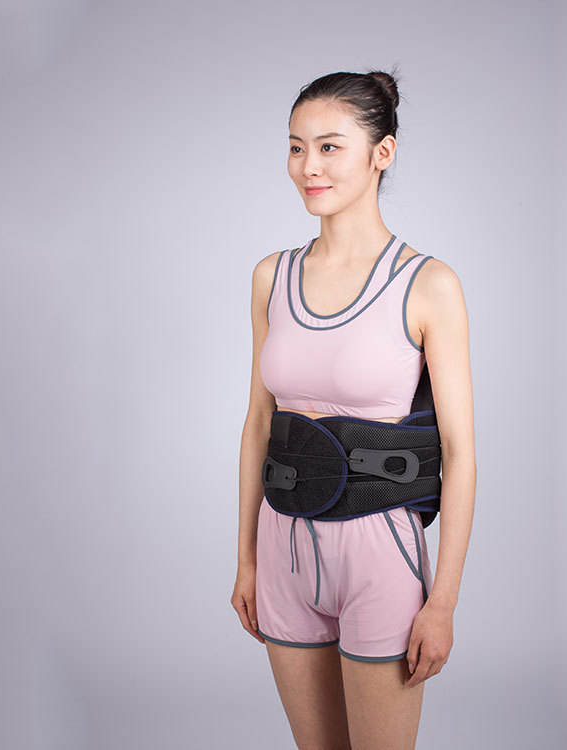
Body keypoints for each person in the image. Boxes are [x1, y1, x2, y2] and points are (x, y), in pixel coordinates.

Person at [231, 68, 477, 750]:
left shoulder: (428, 284)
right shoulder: (271, 276)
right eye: (296, 147)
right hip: (282, 549)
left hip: (380, 553)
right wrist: (246, 559)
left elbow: (459, 454)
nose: (308, 166)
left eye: (330, 147)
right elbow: (258, 425)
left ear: (382, 153)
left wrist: (443, 602)